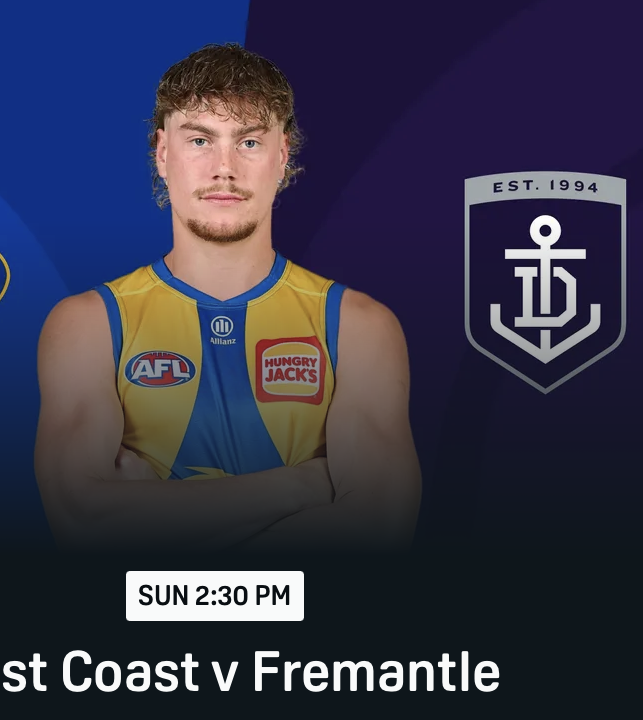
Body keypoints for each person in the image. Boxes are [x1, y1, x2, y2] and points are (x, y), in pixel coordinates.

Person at [34, 43, 421, 553]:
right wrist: (304, 485)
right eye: (199, 140)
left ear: (282, 156)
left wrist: (155, 524)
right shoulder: (88, 325)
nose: (224, 168)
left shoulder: (358, 327)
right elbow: (83, 525)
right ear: (162, 153)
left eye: (249, 143)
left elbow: (375, 531)